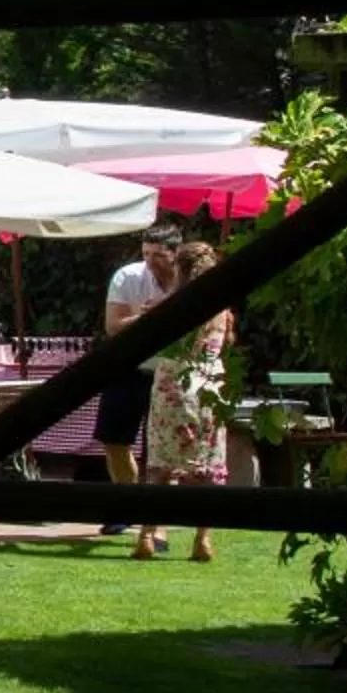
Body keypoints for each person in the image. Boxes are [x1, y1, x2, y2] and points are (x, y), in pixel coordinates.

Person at [137, 240, 231, 563]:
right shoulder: (222, 309)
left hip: (172, 386)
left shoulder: (172, 305)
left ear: (180, 268)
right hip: (209, 386)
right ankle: (203, 538)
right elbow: (227, 344)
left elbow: (157, 343)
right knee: (207, 467)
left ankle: (147, 535)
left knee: (161, 467)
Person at [96, 224, 183, 535]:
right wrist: (145, 316)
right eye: (146, 254)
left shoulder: (189, 279)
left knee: (163, 448)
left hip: (172, 371)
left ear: (175, 254)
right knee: (113, 438)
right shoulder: (128, 276)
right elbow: (113, 326)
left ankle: (157, 520)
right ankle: (127, 504)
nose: (150, 262)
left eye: (158, 256)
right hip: (129, 367)